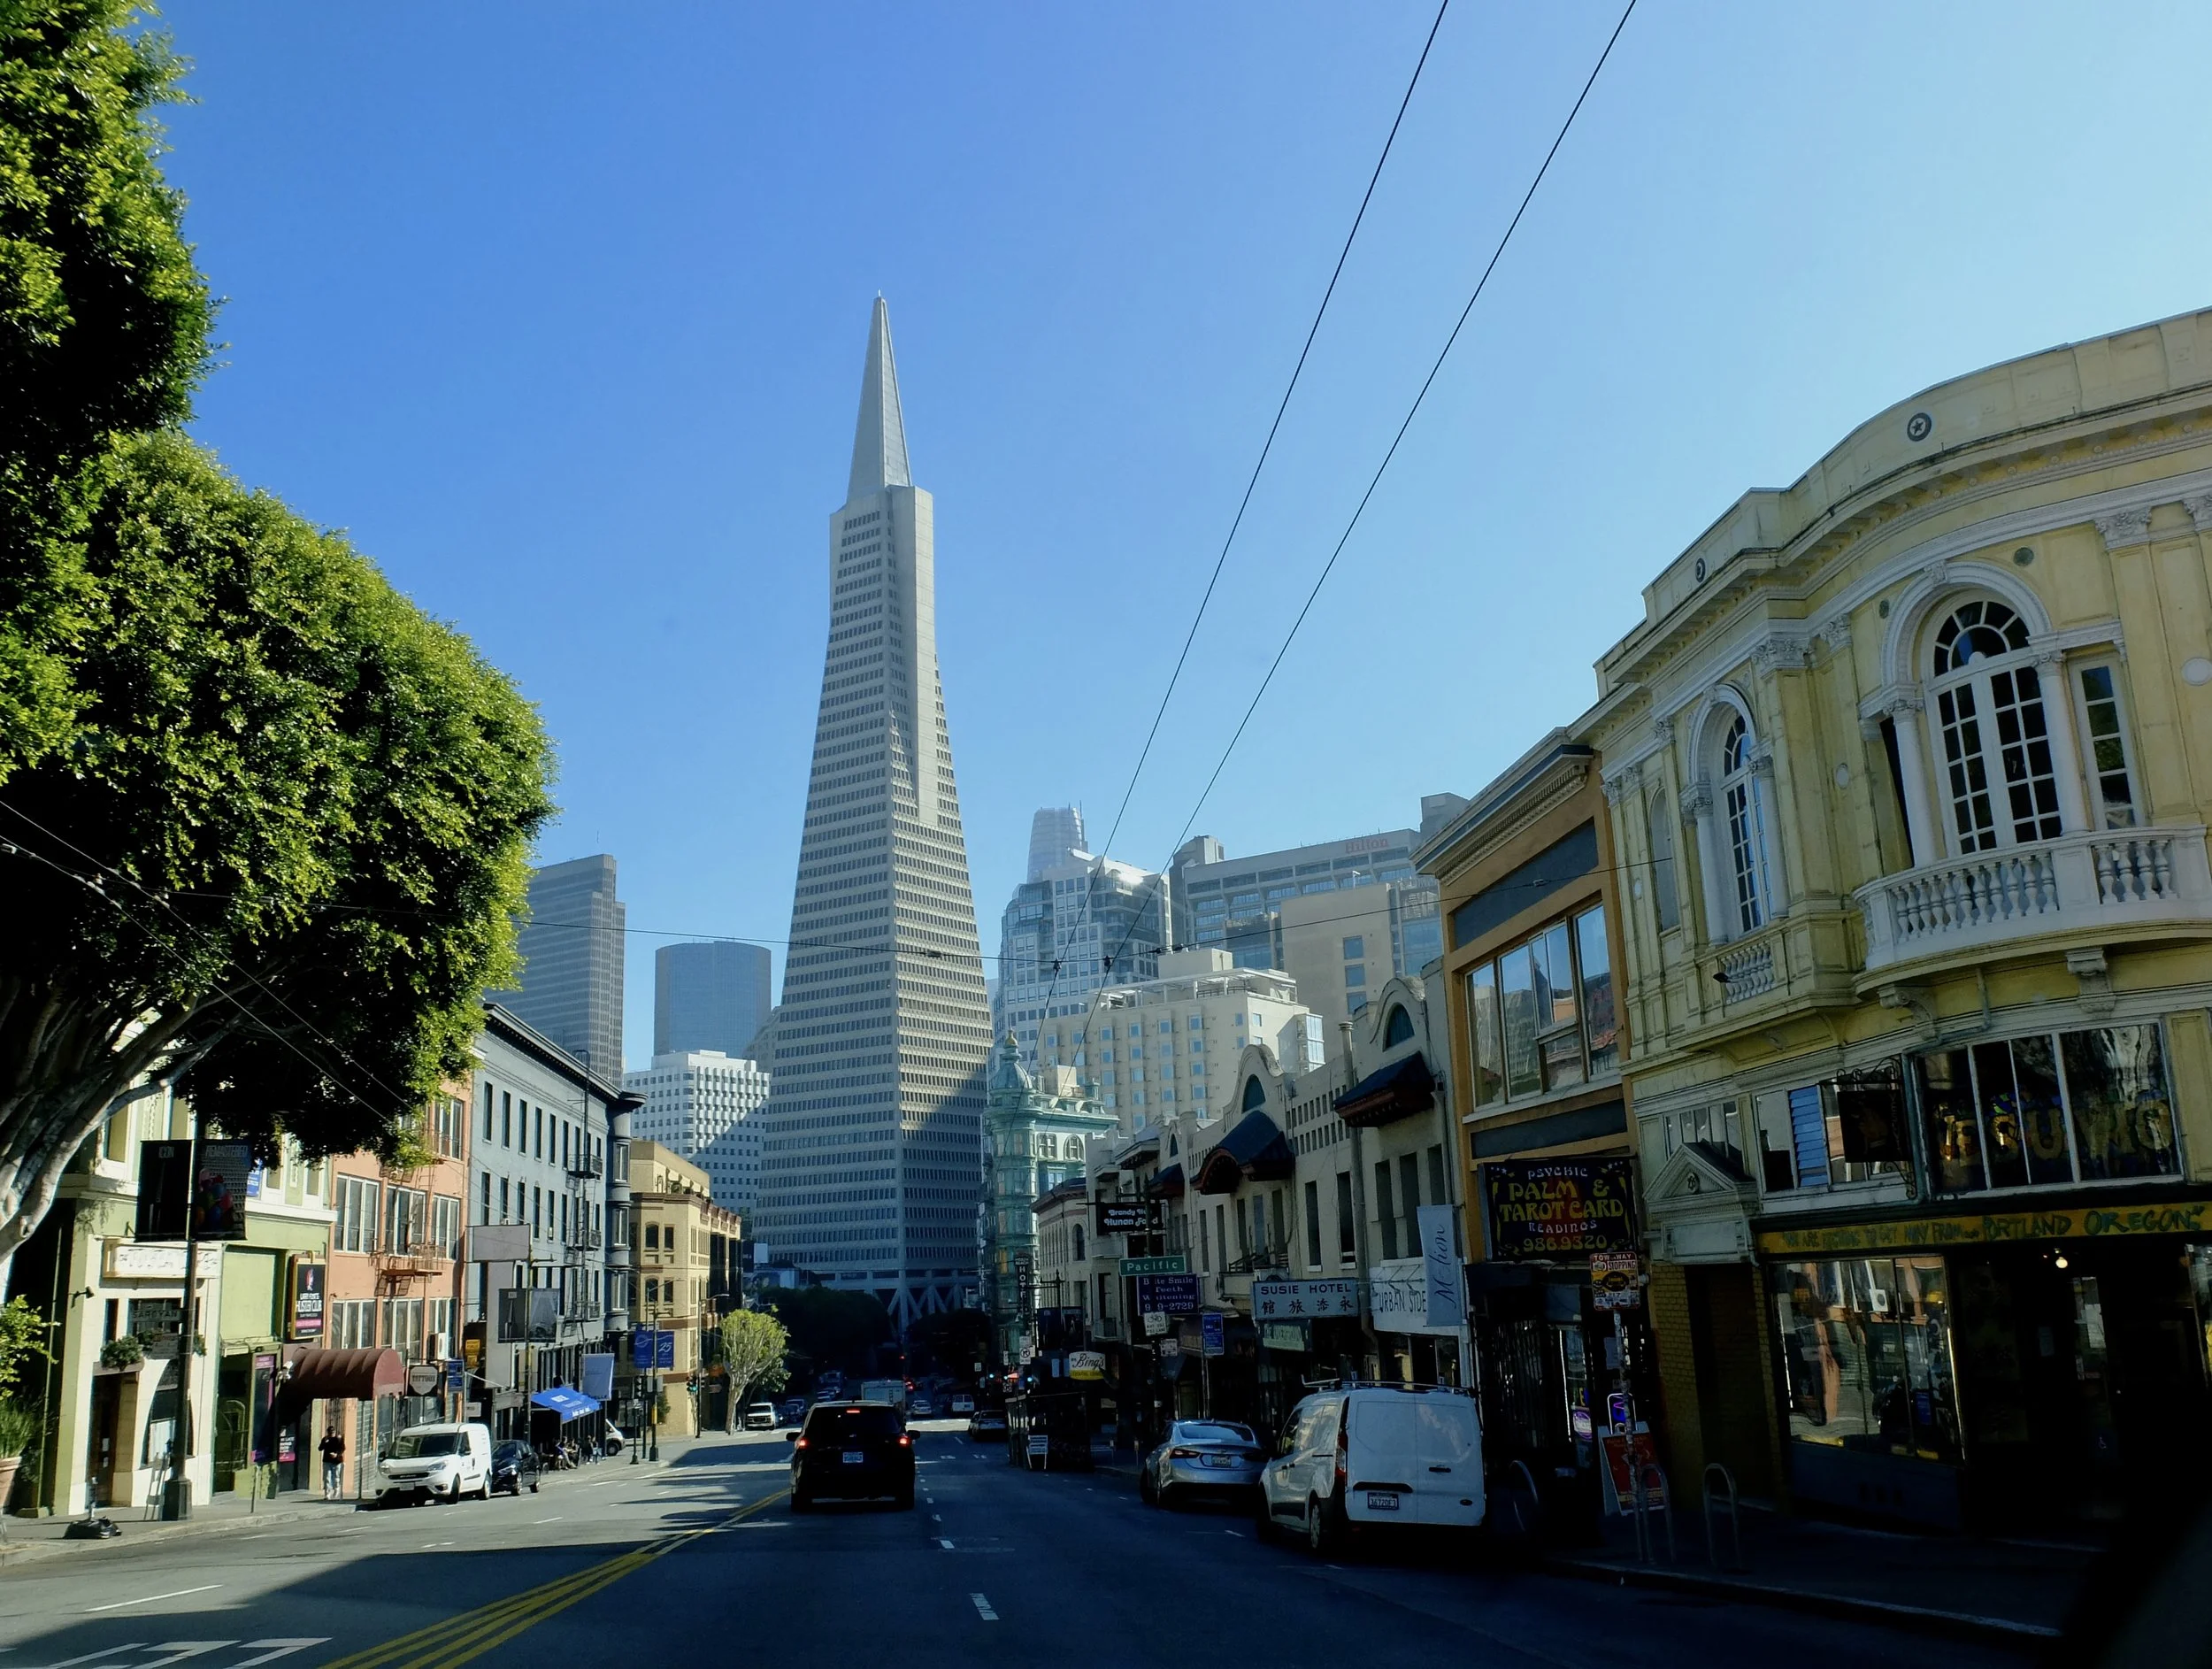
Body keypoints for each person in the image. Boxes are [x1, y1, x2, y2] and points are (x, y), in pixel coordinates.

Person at [319, 1425, 346, 1501]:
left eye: (333, 1433)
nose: (331, 1434)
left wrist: (336, 1454)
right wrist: (324, 1442)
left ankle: (336, 1489)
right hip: (327, 1461)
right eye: (330, 1433)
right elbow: (320, 1448)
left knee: (336, 1478)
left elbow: (342, 1448)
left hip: (337, 1461)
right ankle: (327, 1494)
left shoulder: (339, 1439)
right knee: (327, 1478)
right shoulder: (325, 1439)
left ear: (335, 1432)